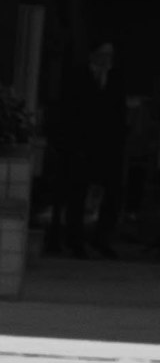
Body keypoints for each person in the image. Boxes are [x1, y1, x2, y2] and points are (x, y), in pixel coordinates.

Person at [45, 40, 125, 261]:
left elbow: (119, 112)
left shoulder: (115, 78)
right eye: (102, 54)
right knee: (76, 193)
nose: (106, 60)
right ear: (93, 55)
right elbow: (70, 111)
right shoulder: (77, 77)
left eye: (109, 55)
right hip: (81, 144)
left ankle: (102, 237)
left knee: (114, 192)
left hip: (108, 144)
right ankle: (75, 239)